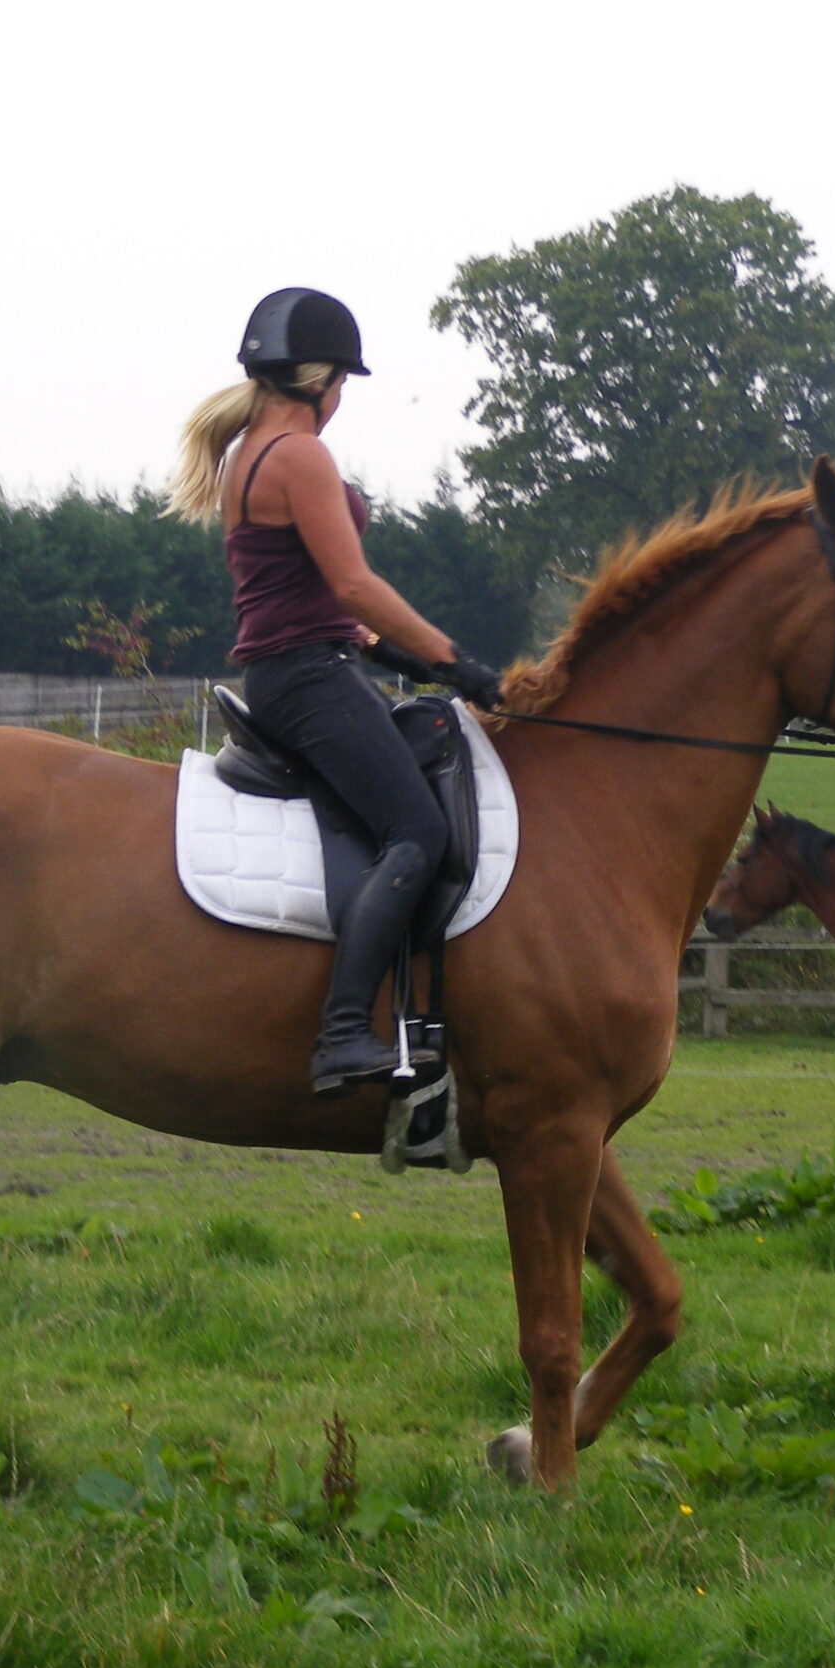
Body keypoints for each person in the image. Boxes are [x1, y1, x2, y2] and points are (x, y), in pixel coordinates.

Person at [170, 288, 506, 1094]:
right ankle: (344, 1032)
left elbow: (307, 597)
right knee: (417, 832)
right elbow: (352, 583)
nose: (341, 400)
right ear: (321, 383)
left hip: (306, 666)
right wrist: (456, 660)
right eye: (343, 384)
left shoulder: (249, 451)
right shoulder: (299, 456)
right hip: (309, 679)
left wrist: (397, 655)